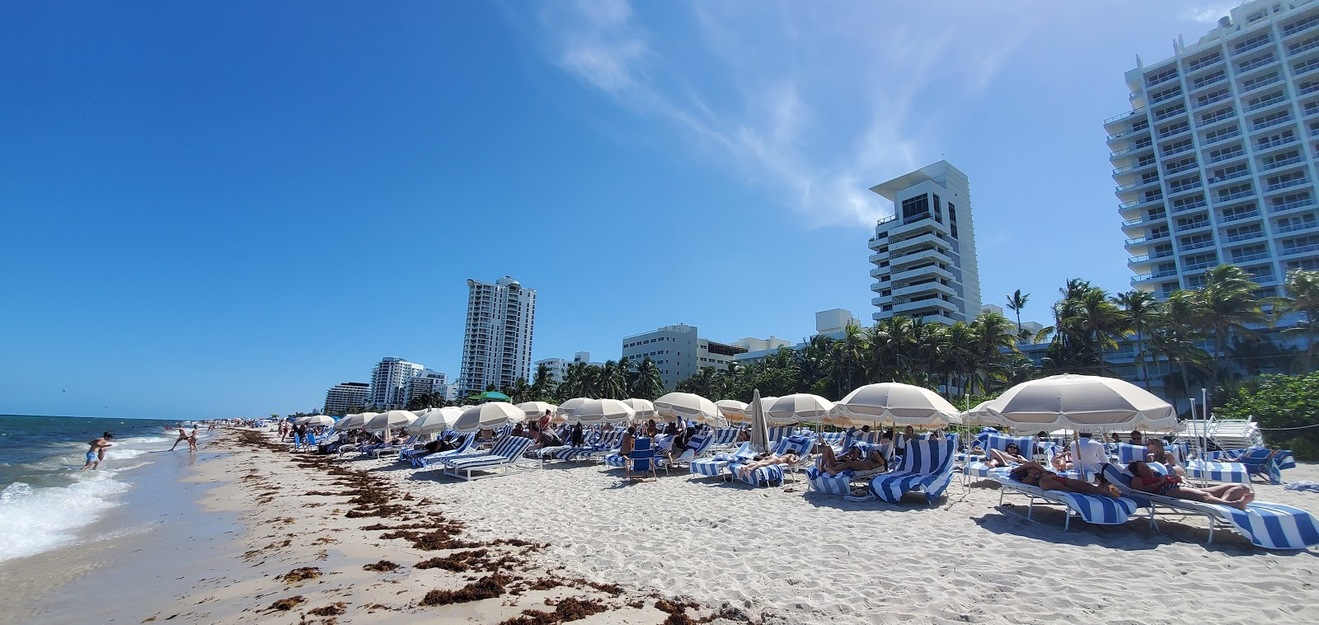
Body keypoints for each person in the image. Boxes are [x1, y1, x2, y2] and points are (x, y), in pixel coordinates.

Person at [1126, 461, 1253, 509]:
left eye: (1146, 466)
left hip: (1183, 486)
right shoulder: (1136, 479)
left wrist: (1178, 478)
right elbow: (1141, 490)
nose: (1146, 469)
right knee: (1205, 495)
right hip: (1167, 490)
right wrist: (1161, 482)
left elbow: (1181, 471)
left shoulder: (1156, 473)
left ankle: (1222, 503)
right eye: (1142, 468)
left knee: (1242, 487)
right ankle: (1232, 504)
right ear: (1137, 472)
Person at [1010, 461, 1118, 498]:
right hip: (1045, 482)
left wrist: (1025, 468)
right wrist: (1029, 473)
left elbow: (1033, 463)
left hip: (1060, 479)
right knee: (1048, 482)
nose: (1034, 468)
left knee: (1087, 486)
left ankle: (1108, 494)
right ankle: (1075, 493)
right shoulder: (1026, 477)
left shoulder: (1042, 471)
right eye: (1031, 468)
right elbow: (1025, 481)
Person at [816, 443, 886, 476]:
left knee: (847, 463)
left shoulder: (878, 464)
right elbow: (839, 459)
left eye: (872, 455)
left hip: (848, 464)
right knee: (827, 448)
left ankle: (833, 470)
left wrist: (875, 452)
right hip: (844, 463)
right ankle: (822, 466)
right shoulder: (865, 459)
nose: (871, 455)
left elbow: (880, 459)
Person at [736, 450, 801, 479]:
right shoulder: (792, 455)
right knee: (763, 464)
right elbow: (790, 462)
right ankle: (750, 470)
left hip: (771, 457)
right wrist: (797, 460)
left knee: (758, 463)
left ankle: (745, 467)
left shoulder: (784, 454)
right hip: (776, 460)